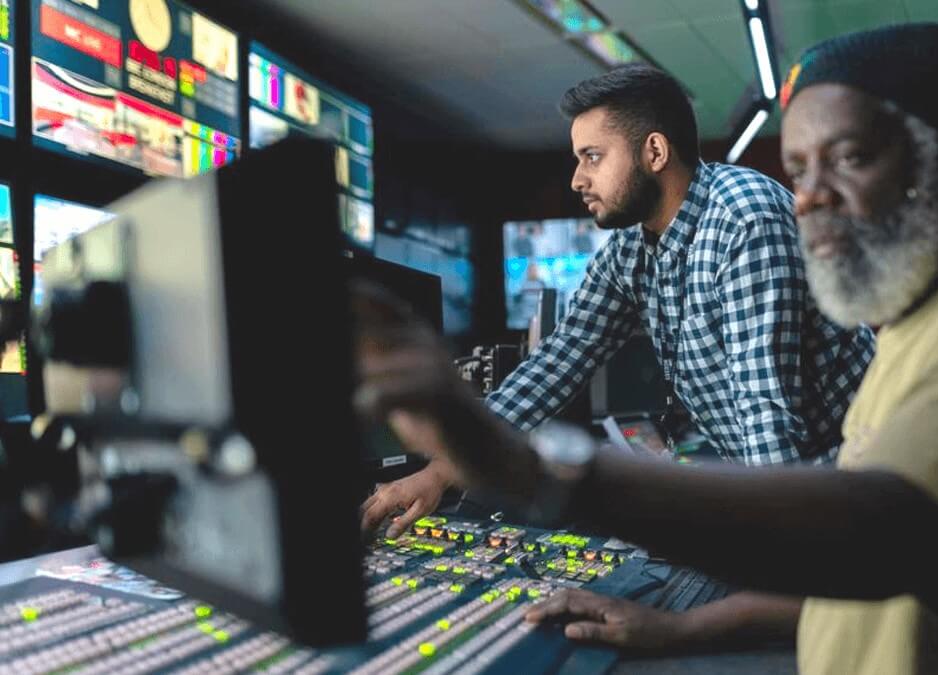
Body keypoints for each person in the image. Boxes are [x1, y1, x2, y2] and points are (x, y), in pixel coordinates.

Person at [356, 23, 938, 674]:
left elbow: (862, 520)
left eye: (844, 159)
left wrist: (542, 472)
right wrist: (447, 463)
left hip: (798, 519)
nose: (804, 197)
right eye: (798, 166)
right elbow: (566, 354)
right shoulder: (920, 328)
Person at [362, 65, 873, 531]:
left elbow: (767, 412)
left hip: (848, 486)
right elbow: (558, 362)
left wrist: (775, 560)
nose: (577, 179)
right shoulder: (633, 248)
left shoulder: (743, 220)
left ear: (654, 152)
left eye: (593, 157)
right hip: (784, 487)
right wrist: (441, 471)